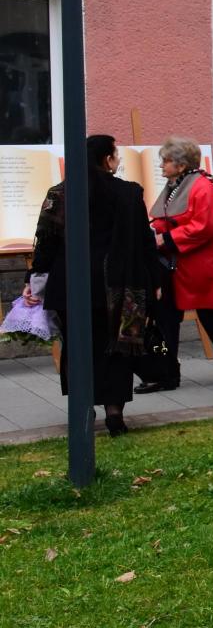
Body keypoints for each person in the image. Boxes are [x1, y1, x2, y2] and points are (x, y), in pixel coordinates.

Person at [23, 134, 158, 436]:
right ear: (107, 160)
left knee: (77, 347)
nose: (118, 159)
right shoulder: (129, 193)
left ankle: (83, 409)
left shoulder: (61, 193)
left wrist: (33, 278)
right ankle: (114, 412)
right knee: (118, 349)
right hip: (121, 286)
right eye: (116, 154)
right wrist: (156, 280)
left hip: (70, 285)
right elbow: (145, 242)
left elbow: (46, 242)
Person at [136, 136, 213, 394]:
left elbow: (204, 226)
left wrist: (165, 238)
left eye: (166, 161)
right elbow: (165, 218)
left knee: (210, 314)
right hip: (176, 264)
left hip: (202, 265)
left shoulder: (202, 186)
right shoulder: (178, 184)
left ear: (182, 165)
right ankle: (166, 371)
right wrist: (149, 231)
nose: (161, 165)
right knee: (165, 319)